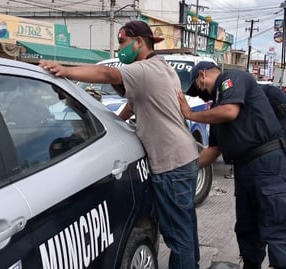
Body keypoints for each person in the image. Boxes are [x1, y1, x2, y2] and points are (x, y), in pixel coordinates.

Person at [39, 20, 200, 269]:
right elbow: (132, 105)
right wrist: (111, 124)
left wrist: (64, 70)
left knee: (178, 238)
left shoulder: (145, 69)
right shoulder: (161, 68)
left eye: (122, 42)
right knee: (186, 228)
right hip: (184, 158)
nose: (119, 48)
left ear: (138, 42)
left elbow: (107, 74)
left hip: (171, 164)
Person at [177, 62, 286, 269]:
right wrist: (185, 169)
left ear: (202, 75)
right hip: (244, 169)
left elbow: (230, 111)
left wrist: (190, 114)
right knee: (247, 228)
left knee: (276, 226)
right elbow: (214, 149)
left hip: (268, 164)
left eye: (199, 88)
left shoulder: (233, 78)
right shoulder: (216, 108)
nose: (202, 95)